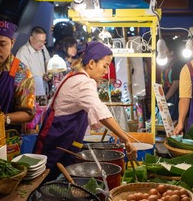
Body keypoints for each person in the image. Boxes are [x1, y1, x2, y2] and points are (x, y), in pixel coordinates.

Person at [34, 41, 137, 182]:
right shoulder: (84, 82)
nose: (106, 72)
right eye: (104, 66)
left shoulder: (75, 75)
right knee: (43, 180)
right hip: (56, 140)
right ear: (92, 63)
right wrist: (126, 140)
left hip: (59, 137)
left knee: (50, 178)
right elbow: (100, 111)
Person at [16, 26, 51, 106]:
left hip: (43, 90)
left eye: (43, 41)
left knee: (43, 111)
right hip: (31, 93)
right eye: (39, 41)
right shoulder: (23, 52)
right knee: (34, 114)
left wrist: (48, 73)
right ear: (31, 39)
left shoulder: (43, 48)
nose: (41, 44)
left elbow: (49, 63)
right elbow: (22, 76)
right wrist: (39, 78)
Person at [161, 37, 185, 123]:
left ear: (172, 52)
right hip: (168, 95)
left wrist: (165, 99)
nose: (162, 51)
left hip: (175, 97)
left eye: (165, 49)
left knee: (173, 121)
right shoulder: (168, 63)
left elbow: (175, 84)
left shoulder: (177, 63)